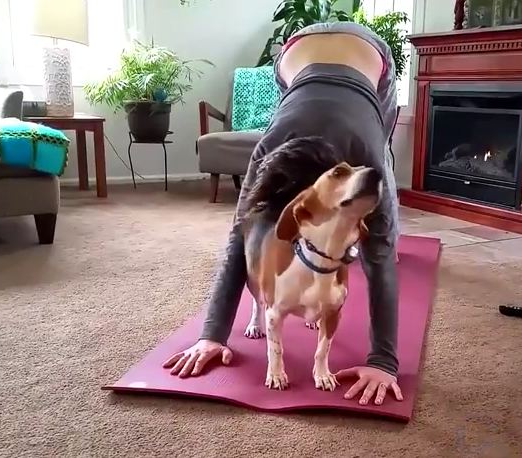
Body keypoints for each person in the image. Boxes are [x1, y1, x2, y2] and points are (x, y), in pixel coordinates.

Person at [163, 22, 403, 407]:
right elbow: (239, 237)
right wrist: (213, 334)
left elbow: (380, 258)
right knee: (266, 225)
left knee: (382, 223)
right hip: (294, 54)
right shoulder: (267, 151)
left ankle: (386, 220)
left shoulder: (367, 156)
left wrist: (384, 361)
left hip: (371, 53)